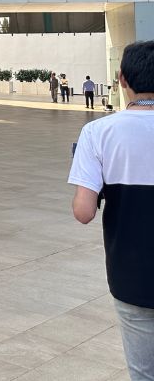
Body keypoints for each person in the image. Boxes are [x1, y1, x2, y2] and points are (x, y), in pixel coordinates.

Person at [69, 40, 154, 379]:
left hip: (132, 273)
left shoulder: (97, 133)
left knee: (143, 373)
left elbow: (83, 211)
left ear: (121, 79)